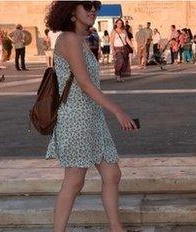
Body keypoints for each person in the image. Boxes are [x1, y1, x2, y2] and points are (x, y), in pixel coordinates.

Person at [44, 2, 138, 232]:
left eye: (94, 5)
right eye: (86, 5)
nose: (93, 10)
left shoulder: (81, 40)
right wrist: (117, 110)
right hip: (76, 119)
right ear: (71, 12)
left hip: (92, 117)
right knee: (74, 181)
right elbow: (85, 84)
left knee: (112, 173)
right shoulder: (68, 40)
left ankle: (117, 228)